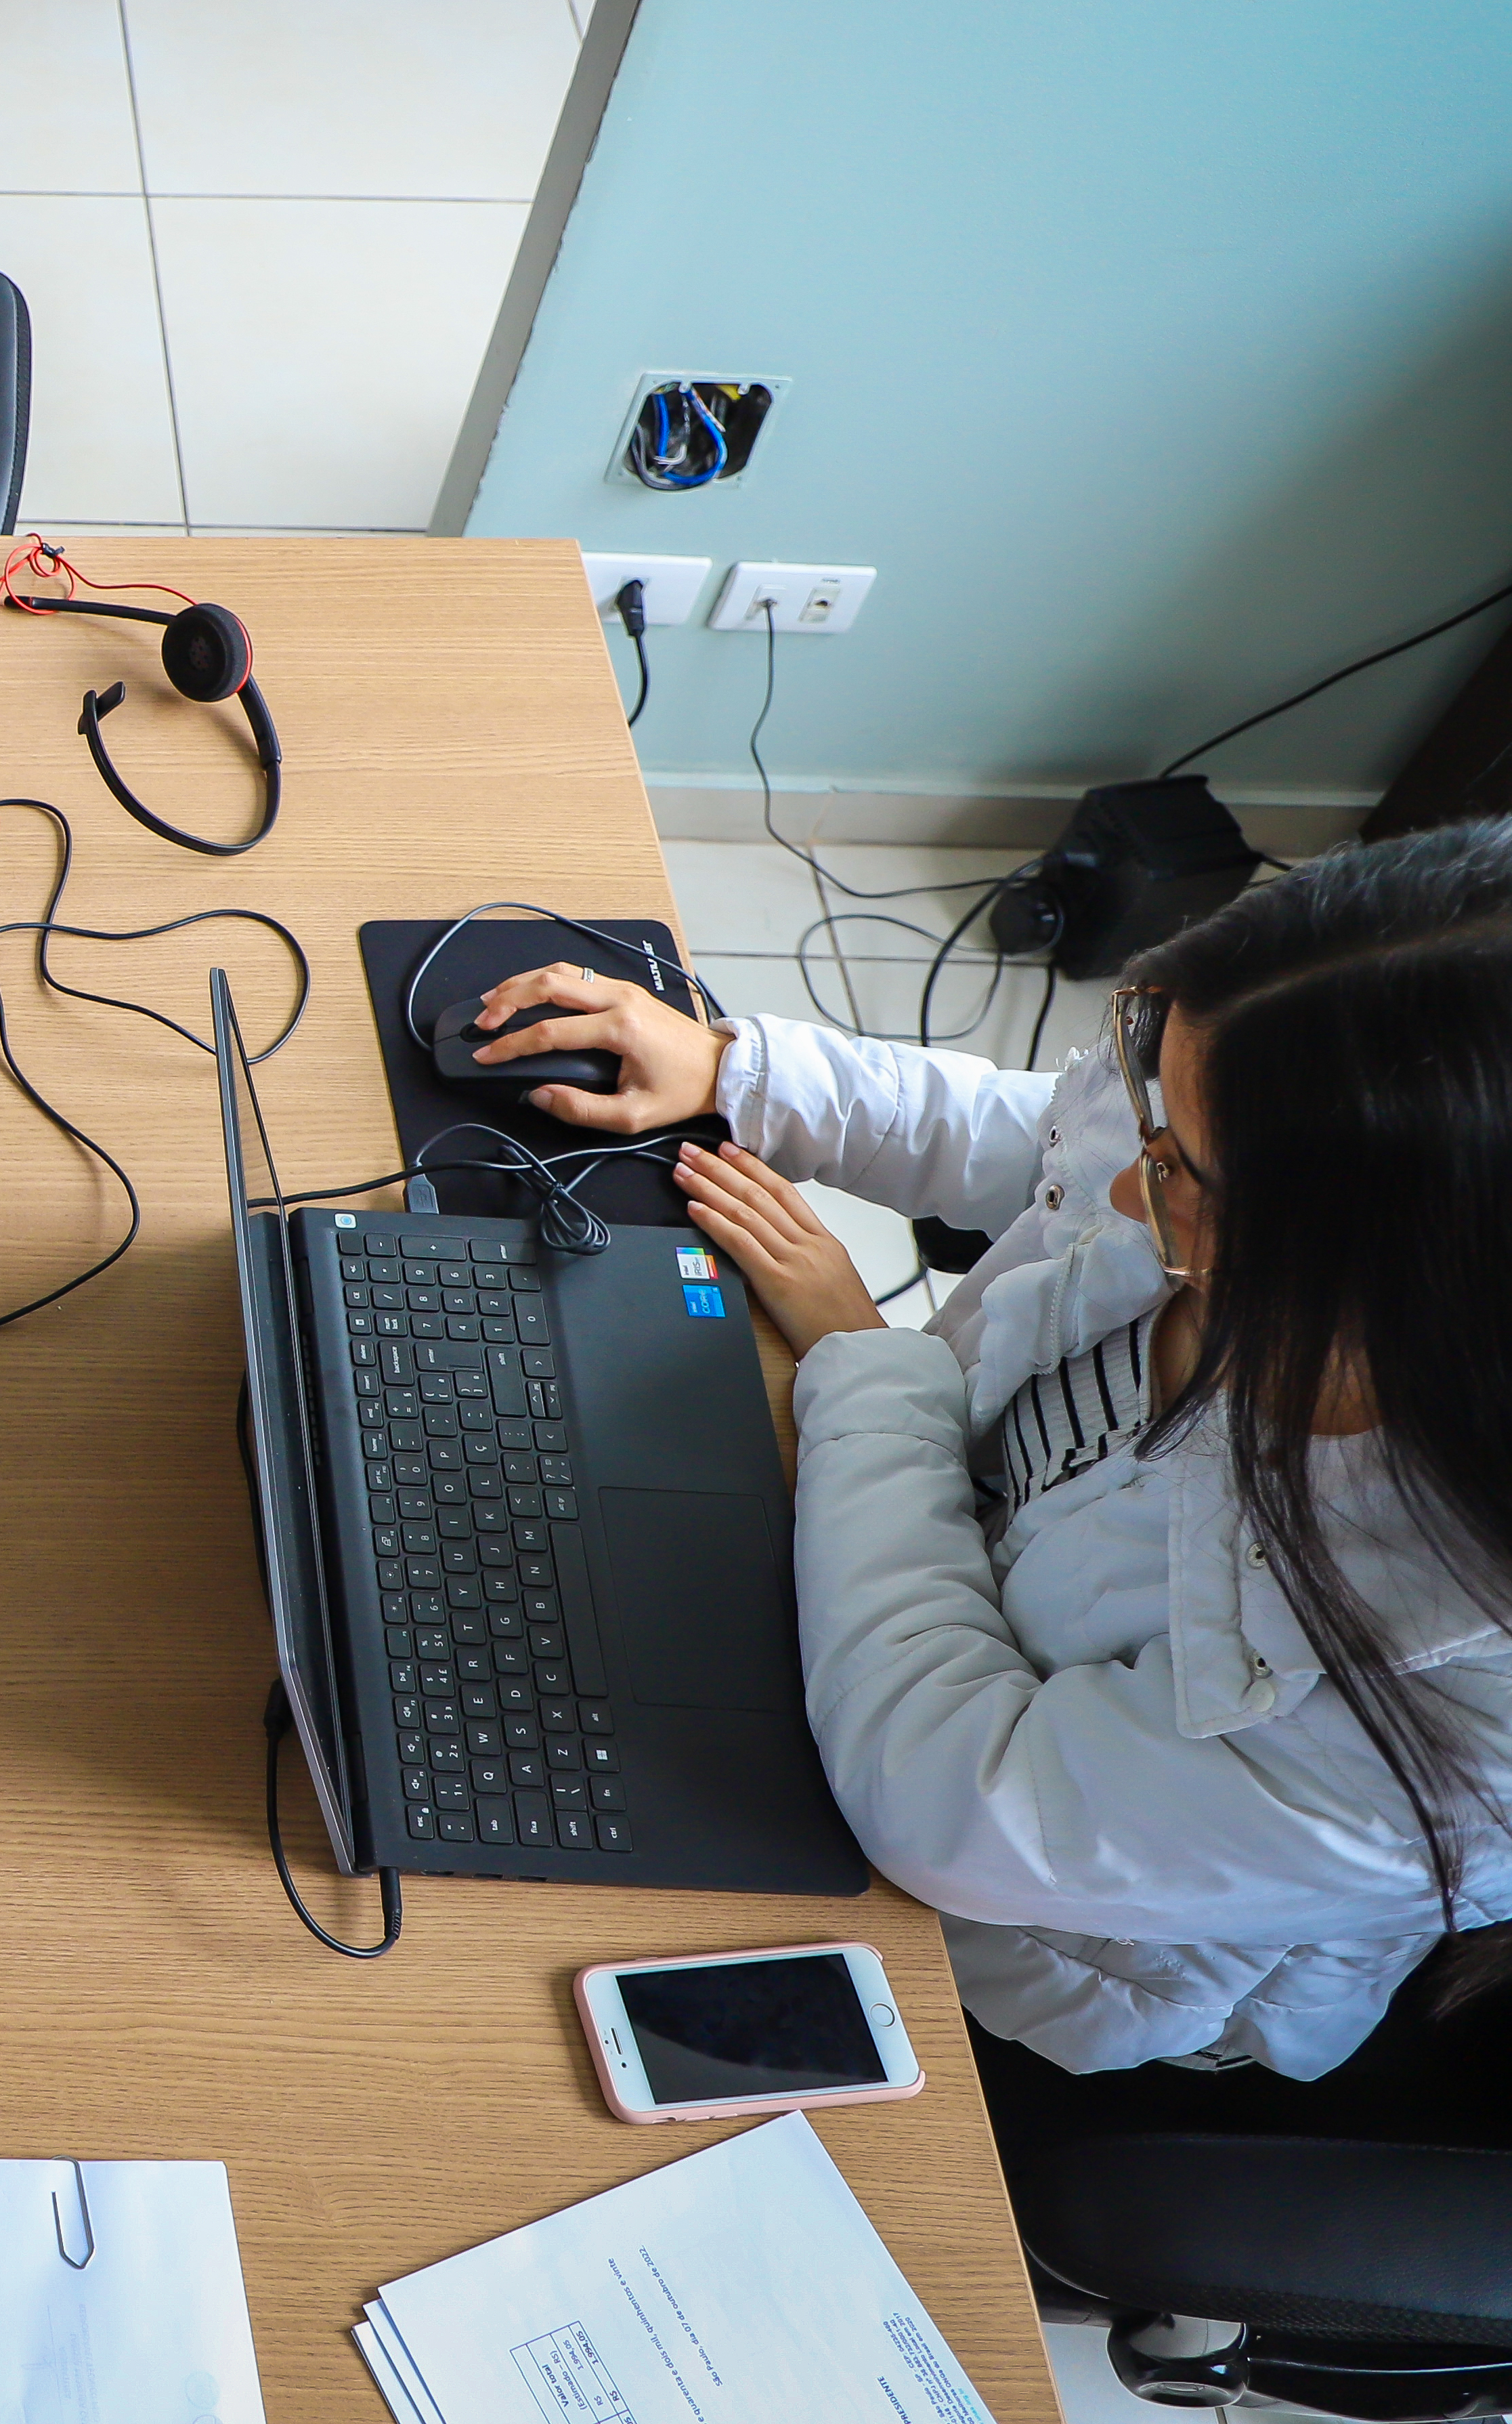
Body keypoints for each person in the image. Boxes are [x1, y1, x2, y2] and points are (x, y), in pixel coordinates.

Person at [465, 823, 1512, 2076]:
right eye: (1158, 1119)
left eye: (1183, 1177)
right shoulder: (1259, 1143)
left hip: (1000, 1930)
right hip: (885, 1538)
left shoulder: (1456, 1716)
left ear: (1405, 1298)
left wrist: (869, 1370)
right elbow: (1057, 1149)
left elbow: (949, 1796)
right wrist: (747, 1075)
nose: (1137, 1191)